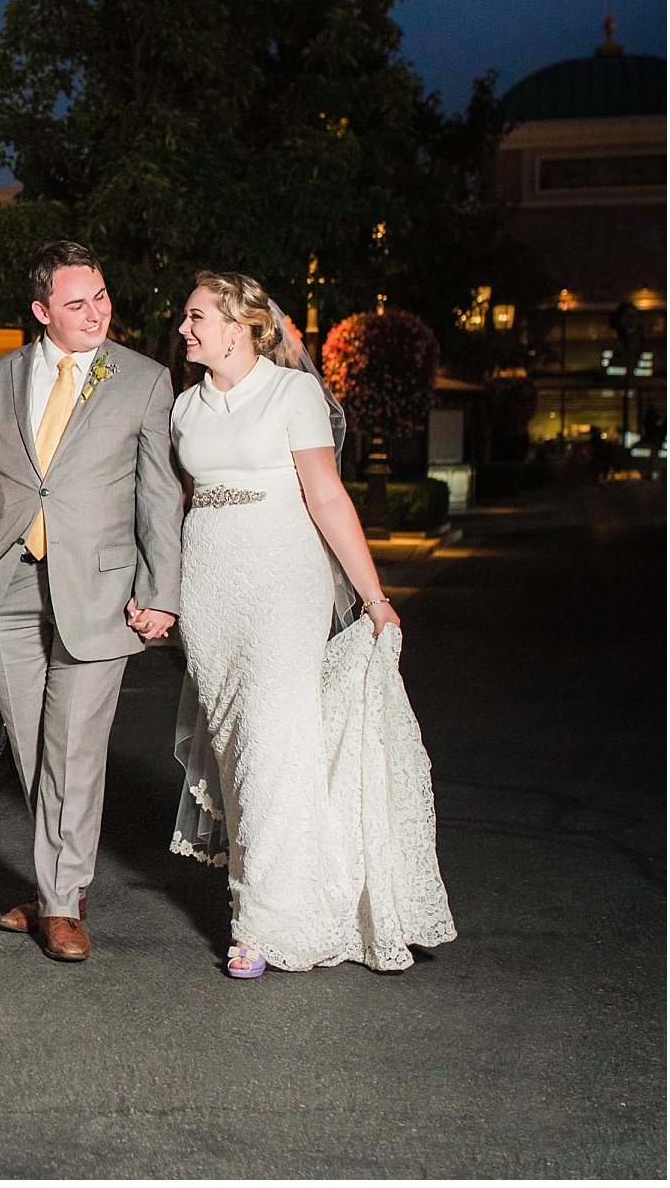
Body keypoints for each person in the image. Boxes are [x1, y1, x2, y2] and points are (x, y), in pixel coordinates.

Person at [168, 270, 457, 977]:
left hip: (281, 583)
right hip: (209, 586)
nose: (184, 329)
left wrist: (373, 593)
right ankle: (283, 887)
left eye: (196, 316)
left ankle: (256, 923)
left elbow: (326, 496)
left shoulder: (292, 393)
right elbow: (174, 507)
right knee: (238, 749)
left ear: (237, 326)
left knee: (271, 738)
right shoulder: (183, 409)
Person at [0, 241, 183, 963]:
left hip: (101, 590)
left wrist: (160, 592)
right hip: (9, 581)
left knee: (73, 748)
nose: (96, 312)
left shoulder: (143, 380)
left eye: (103, 296)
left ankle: (58, 904)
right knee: (32, 744)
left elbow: (160, 497)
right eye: (77, 303)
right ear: (42, 310)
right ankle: (63, 883)